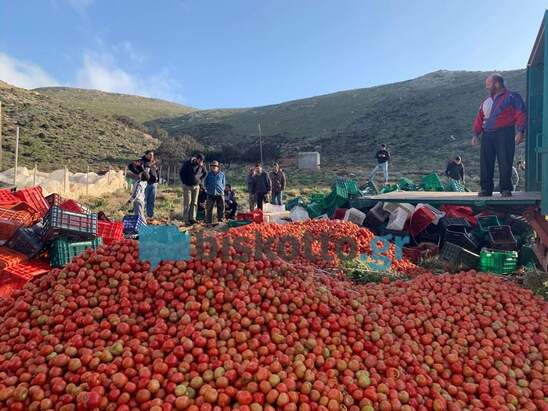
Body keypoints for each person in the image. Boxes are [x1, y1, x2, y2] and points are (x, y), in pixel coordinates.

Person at [472, 73, 527, 197]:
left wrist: (520, 131)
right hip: (487, 134)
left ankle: (506, 189)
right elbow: (479, 118)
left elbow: (521, 113)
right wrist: (475, 134)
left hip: (505, 132)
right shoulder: (485, 102)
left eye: (488, 84)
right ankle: (486, 189)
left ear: (497, 83)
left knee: (505, 161)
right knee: (485, 162)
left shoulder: (512, 97)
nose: (486, 87)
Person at [179, 153, 207, 226]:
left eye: (202, 161)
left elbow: (205, 173)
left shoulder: (201, 165)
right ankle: (186, 219)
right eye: (200, 160)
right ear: (196, 159)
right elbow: (181, 173)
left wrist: (200, 181)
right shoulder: (188, 163)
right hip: (187, 186)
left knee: (194, 203)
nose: (201, 162)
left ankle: (192, 218)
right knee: (187, 203)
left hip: (196, 186)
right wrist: (184, 182)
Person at [204, 160, 225, 225]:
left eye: (215, 166)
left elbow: (223, 183)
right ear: (210, 167)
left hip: (219, 193)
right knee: (209, 208)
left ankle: (220, 221)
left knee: (221, 207)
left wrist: (221, 189)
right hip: (210, 193)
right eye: (212, 166)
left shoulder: (222, 174)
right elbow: (205, 183)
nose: (214, 167)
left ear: (218, 167)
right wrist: (207, 189)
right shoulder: (208, 174)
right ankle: (208, 222)